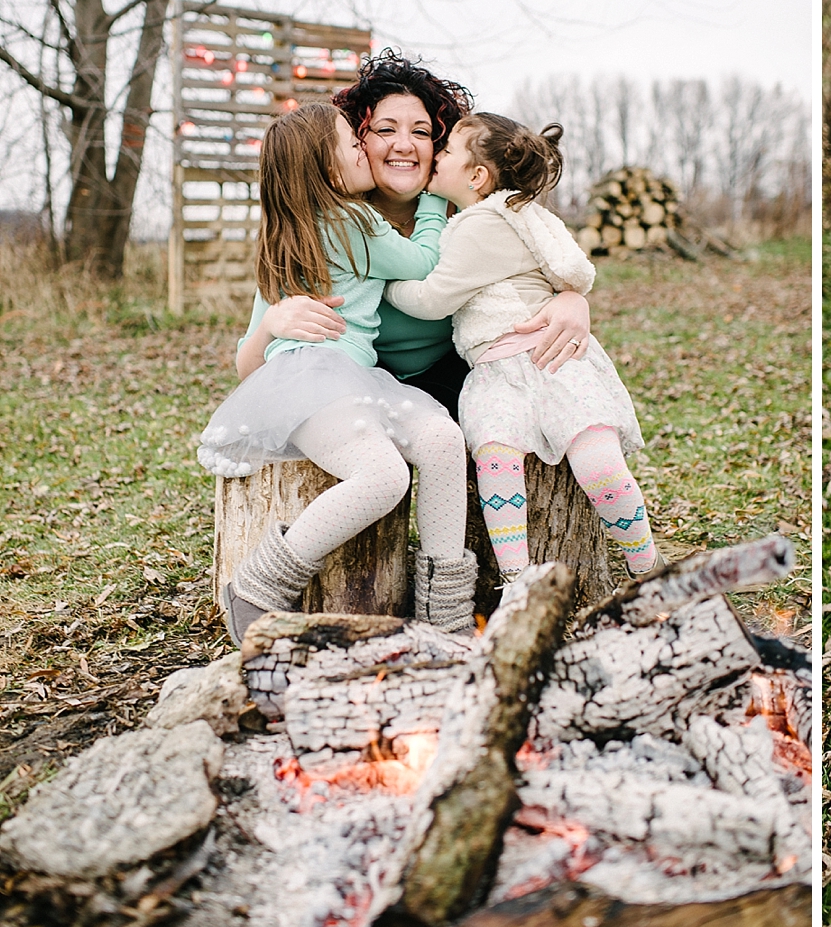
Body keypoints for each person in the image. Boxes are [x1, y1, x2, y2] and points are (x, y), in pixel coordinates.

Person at [199, 104, 476, 641]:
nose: (365, 151)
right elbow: (424, 264)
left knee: (443, 437)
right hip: (318, 380)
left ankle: (446, 616)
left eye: (420, 132)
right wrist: (437, 201)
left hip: (347, 380)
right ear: (330, 171)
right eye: (358, 143)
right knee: (386, 476)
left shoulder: (295, 229)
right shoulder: (355, 221)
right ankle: (257, 585)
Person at [384, 113, 659, 581]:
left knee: (519, 461)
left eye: (447, 150)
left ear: (476, 176)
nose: (438, 155)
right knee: (549, 456)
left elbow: (433, 299)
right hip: (532, 364)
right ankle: (637, 566)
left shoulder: (480, 226)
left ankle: (530, 578)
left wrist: (386, 284)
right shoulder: (515, 214)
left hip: (522, 360)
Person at [237, 49, 591, 413]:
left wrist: (572, 300)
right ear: (354, 144)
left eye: (420, 132)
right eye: (385, 130)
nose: (404, 145)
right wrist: (272, 323)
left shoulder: (472, 219)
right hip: (359, 381)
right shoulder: (326, 231)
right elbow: (248, 369)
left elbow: (542, 273)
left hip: (465, 379)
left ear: (440, 147)